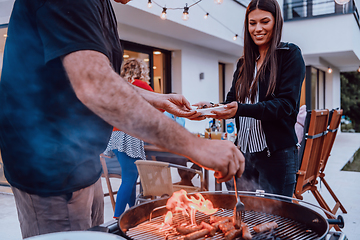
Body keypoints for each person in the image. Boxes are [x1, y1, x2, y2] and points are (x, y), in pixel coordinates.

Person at [0, 0, 245, 238]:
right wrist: (196, 146)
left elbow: (101, 77)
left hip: (82, 164)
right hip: (50, 173)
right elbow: (95, 85)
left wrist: (156, 98)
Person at [195, 0, 305, 197]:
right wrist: (210, 108)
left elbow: (285, 106)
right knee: (244, 215)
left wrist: (241, 109)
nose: (258, 28)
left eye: (264, 22)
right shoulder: (244, 63)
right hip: (244, 153)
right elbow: (231, 102)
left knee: (277, 219)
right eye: (252, 23)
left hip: (277, 155)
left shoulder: (289, 55)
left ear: (276, 22)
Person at [103, 58, 154, 219]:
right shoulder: (140, 85)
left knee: (131, 177)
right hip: (129, 135)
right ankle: (117, 218)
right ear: (142, 71)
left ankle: (133, 213)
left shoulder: (120, 86)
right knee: (130, 177)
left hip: (116, 135)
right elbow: (159, 106)